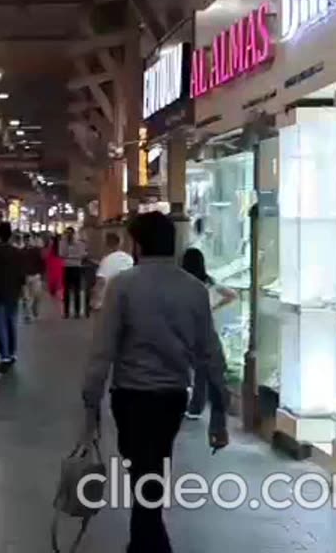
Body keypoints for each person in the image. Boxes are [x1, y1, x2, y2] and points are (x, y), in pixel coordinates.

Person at [81, 212, 229, 553]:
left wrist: (91, 397)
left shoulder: (124, 286)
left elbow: (104, 347)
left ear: (138, 244)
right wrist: (219, 411)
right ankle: (146, 539)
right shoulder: (192, 288)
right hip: (172, 396)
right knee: (155, 462)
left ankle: (150, 542)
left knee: (141, 466)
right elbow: (210, 351)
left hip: (130, 394)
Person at [180, 247, 239, 420]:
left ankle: (191, 403)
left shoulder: (183, 282)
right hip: (206, 328)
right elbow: (232, 295)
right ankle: (200, 405)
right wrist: (214, 307)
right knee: (205, 367)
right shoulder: (209, 282)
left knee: (191, 368)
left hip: (186, 328)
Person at [0, 222, 27, 372]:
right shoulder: (18, 253)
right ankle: (13, 353)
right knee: (11, 323)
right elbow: (22, 274)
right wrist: (23, 291)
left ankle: (5, 356)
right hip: (13, 292)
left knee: (0, 324)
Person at [90, 231, 134, 313]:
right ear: (120, 243)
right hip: (125, 301)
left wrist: (94, 300)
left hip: (107, 302)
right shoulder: (129, 258)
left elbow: (101, 281)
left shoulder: (106, 260)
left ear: (107, 244)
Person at [59, 227, 88, 319]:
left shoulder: (79, 243)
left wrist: (69, 256)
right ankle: (67, 312)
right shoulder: (63, 243)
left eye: (70, 233)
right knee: (67, 291)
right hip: (68, 267)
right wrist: (74, 256)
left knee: (76, 291)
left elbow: (81, 254)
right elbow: (61, 254)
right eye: (67, 233)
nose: (69, 235)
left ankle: (76, 312)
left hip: (75, 267)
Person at [22, 233, 47, 322]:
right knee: (26, 297)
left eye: (29, 239)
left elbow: (43, 263)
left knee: (37, 296)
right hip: (25, 276)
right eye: (25, 240)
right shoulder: (21, 251)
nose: (27, 241)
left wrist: (42, 275)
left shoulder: (37, 251)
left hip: (36, 275)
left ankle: (34, 308)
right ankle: (27, 315)